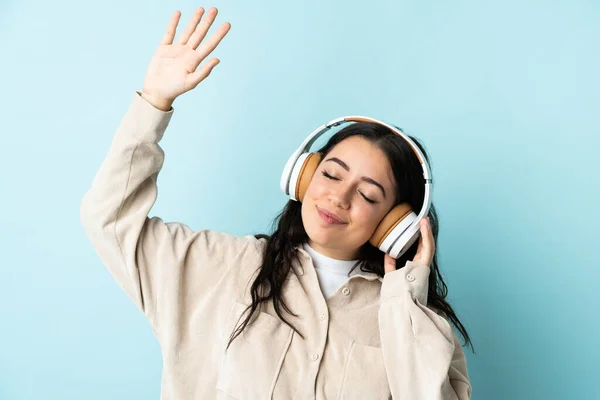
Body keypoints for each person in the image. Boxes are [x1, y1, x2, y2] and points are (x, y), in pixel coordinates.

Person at [80, 6, 473, 399]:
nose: (339, 196)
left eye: (368, 194)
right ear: (302, 177)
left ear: (394, 223)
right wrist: (153, 103)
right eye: (332, 174)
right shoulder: (216, 266)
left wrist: (405, 301)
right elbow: (109, 219)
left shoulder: (417, 320)